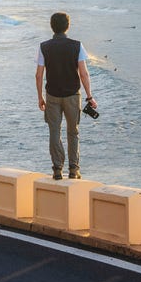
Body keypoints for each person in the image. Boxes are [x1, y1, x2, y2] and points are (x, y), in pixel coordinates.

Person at [35, 11, 96, 180]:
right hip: (72, 95)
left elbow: (39, 75)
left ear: (52, 27)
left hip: (52, 95)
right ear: (67, 26)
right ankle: (73, 169)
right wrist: (89, 96)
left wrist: (40, 97)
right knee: (73, 132)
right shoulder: (77, 46)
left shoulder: (44, 47)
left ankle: (57, 168)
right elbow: (83, 73)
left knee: (54, 132)